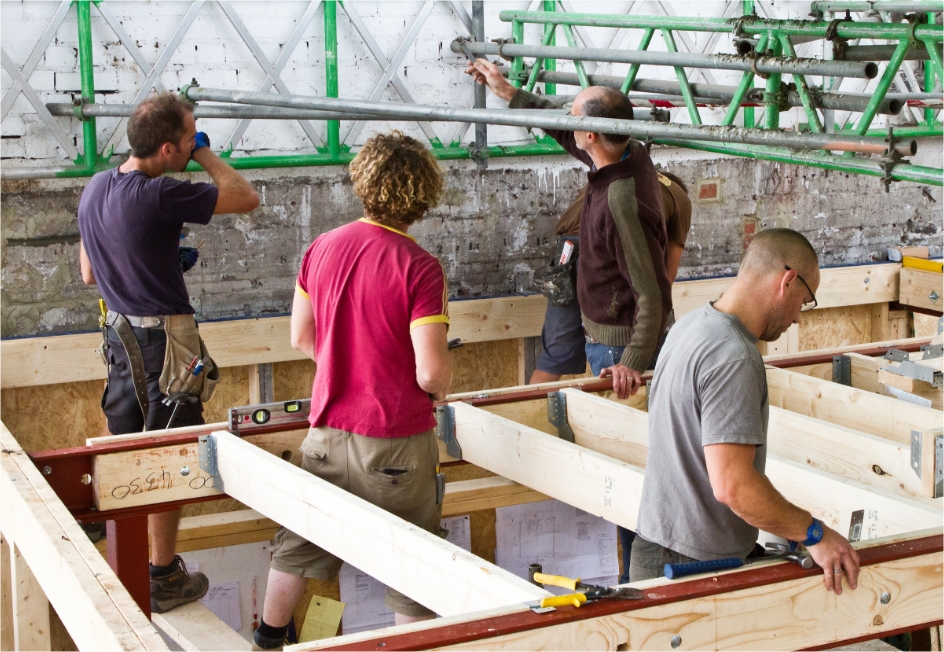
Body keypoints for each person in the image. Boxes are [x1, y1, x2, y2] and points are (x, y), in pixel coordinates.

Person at [252, 131, 452, 651]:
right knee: (412, 561)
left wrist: (350, 366)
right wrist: (435, 385)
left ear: (363, 181)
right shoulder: (420, 267)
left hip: (325, 433)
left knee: (299, 543)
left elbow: (301, 337)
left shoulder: (321, 247)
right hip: (395, 442)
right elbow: (430, 374)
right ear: (423, 193)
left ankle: (267, 640)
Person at [77, 92, 259, 613]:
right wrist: (203, 153)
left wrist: (156, 262)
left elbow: (90, 273)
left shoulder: (95, 188)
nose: (192, 142)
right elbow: (245, 196)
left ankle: (120, 555)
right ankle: (161, 575)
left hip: (119, 340)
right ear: (167, 149)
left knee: (127, 446)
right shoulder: (160, 194)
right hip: (165, 346)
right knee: (171, 451)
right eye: (187, 136)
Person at [632, 228, 861, 595]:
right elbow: (733, 486)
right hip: (692, 567)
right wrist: (814, 533)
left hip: (660, 549)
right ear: (787, 281)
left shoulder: (690, 326)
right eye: (803, 302)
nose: (798, 319)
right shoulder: (734, 356)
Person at [466, 58, 672, 402]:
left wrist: (632, 361)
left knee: (618, 431)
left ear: (590, 136)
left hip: (618, 351)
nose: (568, 122)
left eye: (574, 117)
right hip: (610, 340)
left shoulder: (622, 202)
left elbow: (652, 292)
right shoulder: (627, 152)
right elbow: (562, 128)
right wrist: (510, 93)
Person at [528, 172, 691, 585]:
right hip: (609, 274)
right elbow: (663, 281)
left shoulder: (616, 184)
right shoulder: (675, 201)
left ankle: (525, 428)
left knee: (557, 353)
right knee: (636, 458)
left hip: (574, 254)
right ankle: (640, 578)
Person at [529, 171, 692, 384]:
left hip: (568, 251)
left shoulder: (625, 174)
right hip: (605, 249)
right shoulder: (679, 198)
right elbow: (666, 277)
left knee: (555, 356)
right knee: (616, 340)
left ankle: (526, 405)